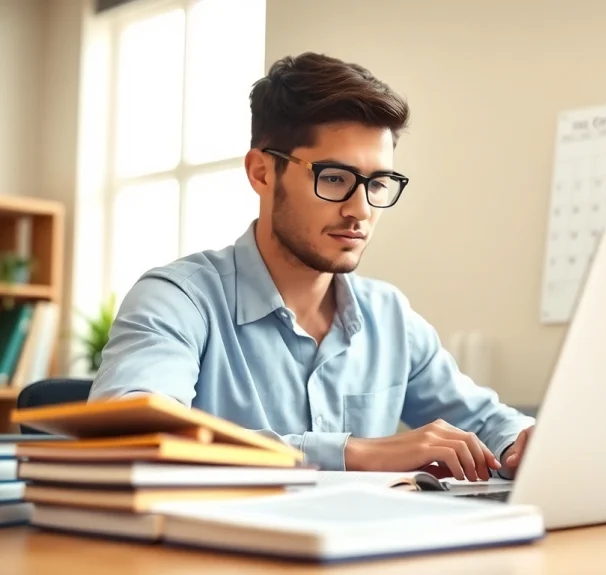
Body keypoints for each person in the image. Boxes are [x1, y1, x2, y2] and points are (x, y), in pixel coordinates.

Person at [89, 52, 535, 481]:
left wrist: (522, 443)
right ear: (262, 173)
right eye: (335, 178)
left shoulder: (389, 316)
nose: (360, 209)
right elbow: (132, 438)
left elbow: (486, 420)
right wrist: (353, 453)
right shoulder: (178, 299)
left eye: (378, 182)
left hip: (362, 554)